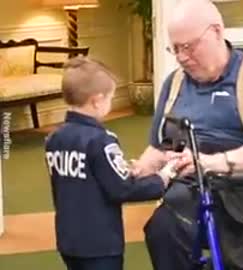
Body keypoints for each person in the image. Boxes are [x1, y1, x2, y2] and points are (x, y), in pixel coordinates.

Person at [131, 0, 243, 269]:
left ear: (217, 32)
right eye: (176, 49)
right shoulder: (174, 83)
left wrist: (208, 163)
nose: (182, 57)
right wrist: (135, 171)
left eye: (189, 47)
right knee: (162, 229)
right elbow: (160, 148)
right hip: (190, 188)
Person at [44, 56, 171, 270]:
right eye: (110, 99)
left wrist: (125, 171)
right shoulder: (101, 140)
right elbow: (121, 189)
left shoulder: (54, 138)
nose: (110, 105)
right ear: (97, 100)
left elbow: (90, 177)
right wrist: (162, 179)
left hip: (69, 239)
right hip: (100, 243)